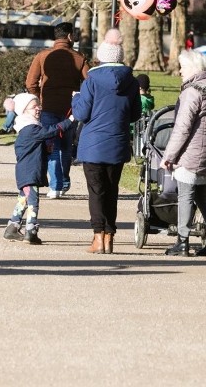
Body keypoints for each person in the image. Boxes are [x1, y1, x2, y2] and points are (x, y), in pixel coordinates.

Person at [72, 40, 140, 254]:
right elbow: (136, 114)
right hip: (117, 142)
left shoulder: (91, 80)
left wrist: (75, 100)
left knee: (96, 192)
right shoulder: (132, 82)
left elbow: (82, 114)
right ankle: (110, 237)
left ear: (100, 57)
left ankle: (98, 237)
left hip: (93, 143)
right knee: (112, 191)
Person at [160, 50, 206, 256]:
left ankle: (182, 241)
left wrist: (168, 156)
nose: (180, 70)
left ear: (194, 68)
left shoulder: (191, 92)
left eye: (183, 66)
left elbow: (182, 128)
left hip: (192, 152)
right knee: (201, 195)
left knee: (186, 196)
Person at [26, 22, 89, 198]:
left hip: (48, 107)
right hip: (70, 109)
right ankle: (64, 182)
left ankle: (55, 186)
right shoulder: (79, 58)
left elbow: (30, 82)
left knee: (51, 146)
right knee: (66, 147)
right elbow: (90, 82)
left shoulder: (42, 56)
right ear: (69, 36)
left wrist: (39, 98)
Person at [3, 93, 72, 245]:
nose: (39, 109)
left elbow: (37, 145)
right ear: (24, 110)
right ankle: (31, 230)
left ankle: (12, 228)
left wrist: (46, 149)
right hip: (29, 171)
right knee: (33, 200)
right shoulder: (29, 128)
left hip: (29, 171)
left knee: (24, 198)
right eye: (34, 106)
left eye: (39, 105)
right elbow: (50, 131)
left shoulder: (31, 128)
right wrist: (69, 121)